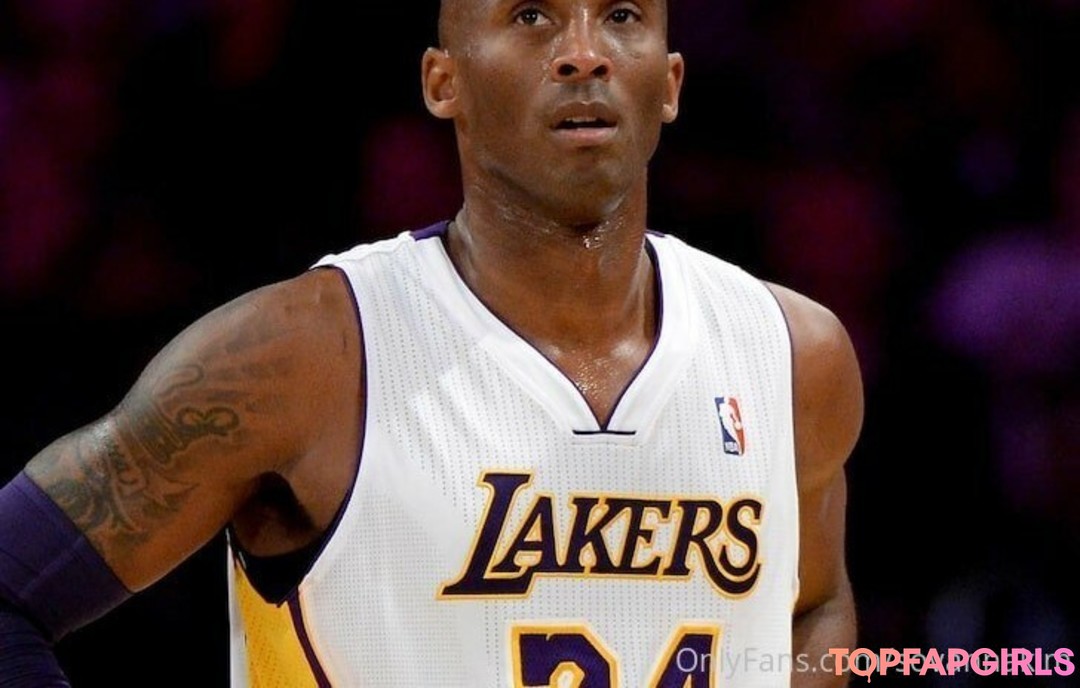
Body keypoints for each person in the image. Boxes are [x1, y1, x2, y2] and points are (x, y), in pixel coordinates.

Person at [0, 0, 864, 685]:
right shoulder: (302, 358)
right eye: (531, 16)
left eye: (622, 16)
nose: (583, 53)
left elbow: (813, 608)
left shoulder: (795, 355)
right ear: (443, 81)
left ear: (670, 82)